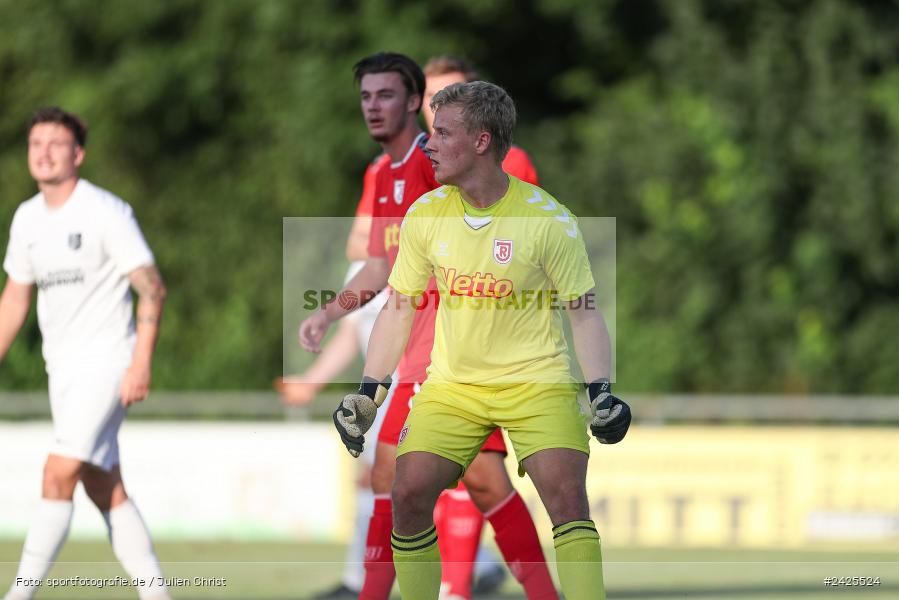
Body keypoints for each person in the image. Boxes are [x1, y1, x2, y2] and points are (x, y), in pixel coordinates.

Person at [332, 82, 632, 600]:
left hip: (536, 384)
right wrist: (369, 390)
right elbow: (398, 308)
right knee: (407, 493)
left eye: (442, 133)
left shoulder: (549, 220)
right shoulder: (426, 215)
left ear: (481, 141)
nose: (428, 145)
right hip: (452, 389)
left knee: (567, 498)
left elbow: (584, 316)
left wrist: (600, 391)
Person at [299, 53, 557, 600]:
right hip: (415, 347)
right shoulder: (382, 173)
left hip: (459, 351)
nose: (374, 107)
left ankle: (480, 590)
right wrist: (330, 310)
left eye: (387, 95)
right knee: (402, 480)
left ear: (413, 103)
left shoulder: (438, 159)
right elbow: (378, 263)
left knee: (466, 485)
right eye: (366, 97)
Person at [1, 108, 170, 600]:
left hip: (109, 362)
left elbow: (153, 288)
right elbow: (16, 297)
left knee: (57, 473)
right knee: (103, 486)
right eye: (36, 143)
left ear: (78, 154)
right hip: (63, 369)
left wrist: (140, 361)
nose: (44, 152)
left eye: (56, 143)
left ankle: (19, 594)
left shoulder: (104, 211)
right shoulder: (27, 218)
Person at [421, 54, 544, 599]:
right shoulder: (414, 164)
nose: (435, 107)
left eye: (448, 96)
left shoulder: (511, 162)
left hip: (490, 348)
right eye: (429, 98)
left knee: (481, 476)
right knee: (452, 475)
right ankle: (455, 587)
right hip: (429, 342)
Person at [278, 152, 390, 599]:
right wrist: (310, 383)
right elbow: (350, 338)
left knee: (410, 482)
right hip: (379, 392)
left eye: (366, 223)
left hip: (409, 387)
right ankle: (361, 580)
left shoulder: (408, 263)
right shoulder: (359, 272)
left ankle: (465, 571)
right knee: (375, 481)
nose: (356, 231)